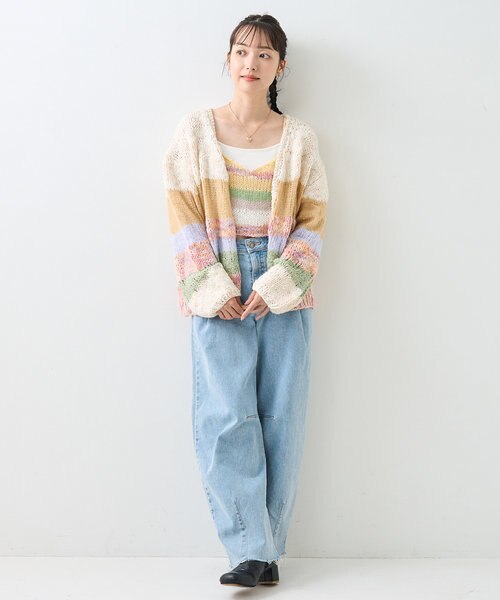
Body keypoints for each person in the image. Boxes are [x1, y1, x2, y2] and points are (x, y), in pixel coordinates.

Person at [163, 13, 329, 588]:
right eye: (241, 51)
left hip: (284, 289)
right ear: (228, 60)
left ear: (280, 66)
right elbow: (182, 212)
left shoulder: (299, 138)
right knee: (225, 416)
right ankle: (249, 548)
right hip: (219, 286)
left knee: (282, 418)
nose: (250, 63)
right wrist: (212, 286)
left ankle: (267, 551)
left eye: (263, 54)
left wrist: (277, 284)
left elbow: (313, 219)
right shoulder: (196, 131)